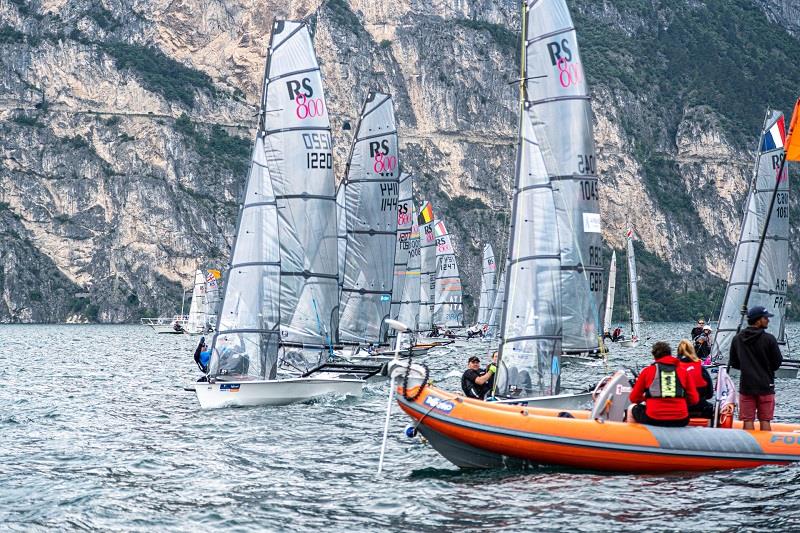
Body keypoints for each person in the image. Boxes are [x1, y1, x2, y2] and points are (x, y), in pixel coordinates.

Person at [730, 305, 783, 431]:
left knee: (747, 420)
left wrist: (746, 367)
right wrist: (767, 369)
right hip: (766, 385)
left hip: (746, 386)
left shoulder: (737, 338)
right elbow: (777, 363)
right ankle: (766, 449)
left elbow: (734, 363)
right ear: (758, 320)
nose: (768, 320)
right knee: (765, 419)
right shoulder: (769, 339)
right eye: (766, 318)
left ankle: (749, 448)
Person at [629, 341, 699, 427]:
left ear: (654, 356)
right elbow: (694, 399)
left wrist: (646, 398)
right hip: (681, 419)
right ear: (670, 354)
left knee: (631, 408)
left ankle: (635, 438)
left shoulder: (647, 371)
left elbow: (633, 398)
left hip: (653, 418)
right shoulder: (683, 372)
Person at [676, 339, 714, 418]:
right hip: (700, 407)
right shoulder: (701, 368)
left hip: (679, 407)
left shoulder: (673, 368)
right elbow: (710, 394)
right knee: (710, 407)